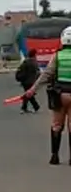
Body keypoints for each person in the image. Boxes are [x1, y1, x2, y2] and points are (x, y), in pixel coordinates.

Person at [24, 26, 71, 165]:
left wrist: (33, 89)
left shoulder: (58, 56)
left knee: (57, 125)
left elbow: (46, 74)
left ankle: (54, 156)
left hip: (59, 95)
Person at [16, 49, 41, 114]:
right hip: (31, 81)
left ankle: (26, 107)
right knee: (28, 94)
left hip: (25, 81)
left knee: (28, 94)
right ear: (34, 54)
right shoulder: (34, 62)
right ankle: (33, 107)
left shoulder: (26, 61)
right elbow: (37, 72)